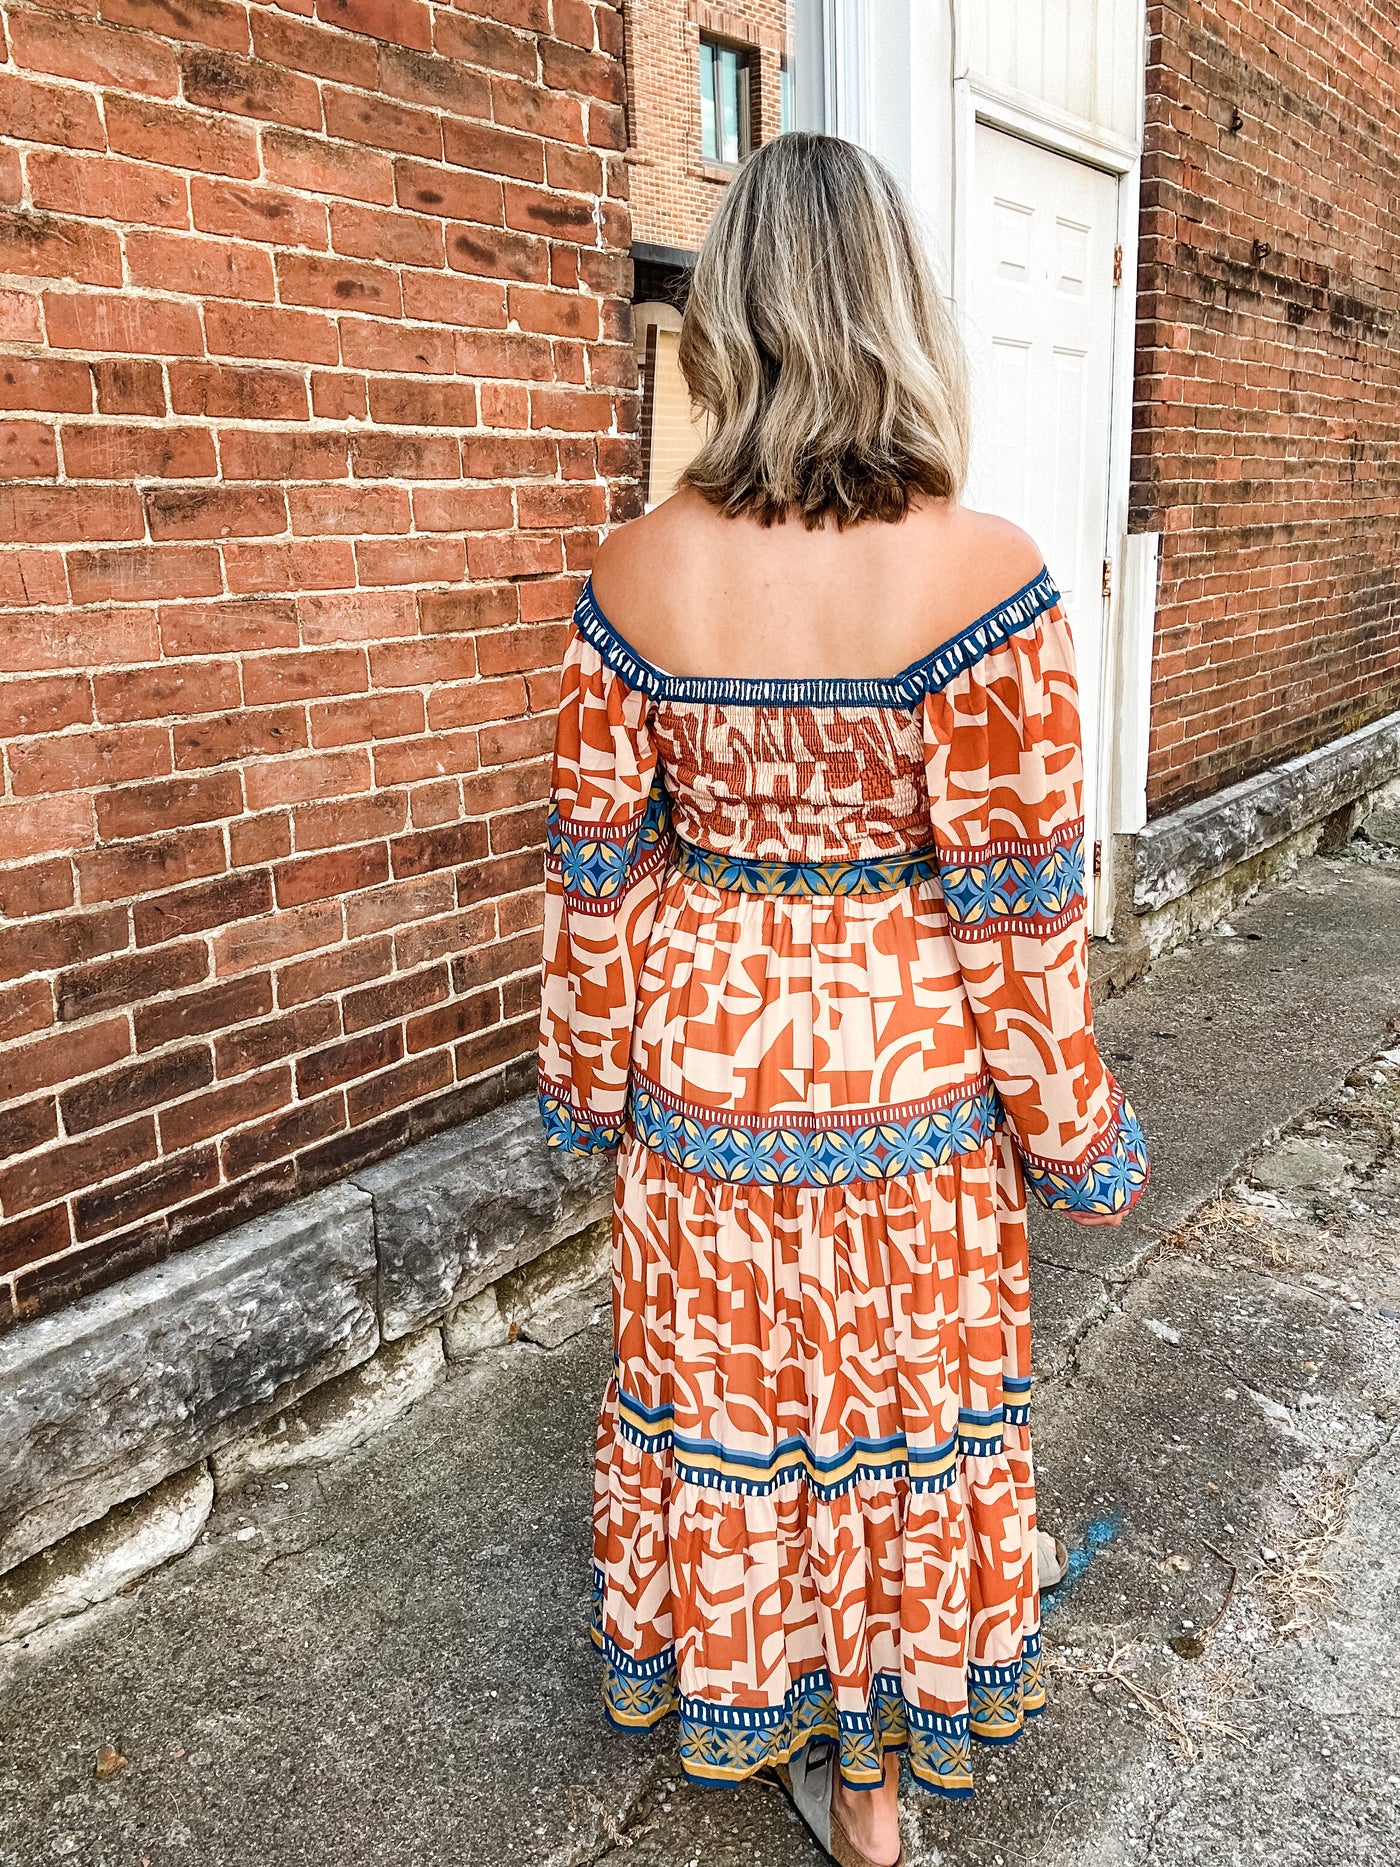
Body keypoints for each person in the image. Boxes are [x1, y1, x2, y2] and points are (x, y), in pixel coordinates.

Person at [537, 131, 1148, 1867]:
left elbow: (596, 880)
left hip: (708, 1065)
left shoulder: (634, 571)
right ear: (898, 310)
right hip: (913, 1069)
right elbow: (1023, 918)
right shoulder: (988, 577)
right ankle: (871, 1797)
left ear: (731, 315)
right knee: (889, 1418)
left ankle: (775, 1702)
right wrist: (1072, 1128)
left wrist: (601, 1082)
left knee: (743, 1405)